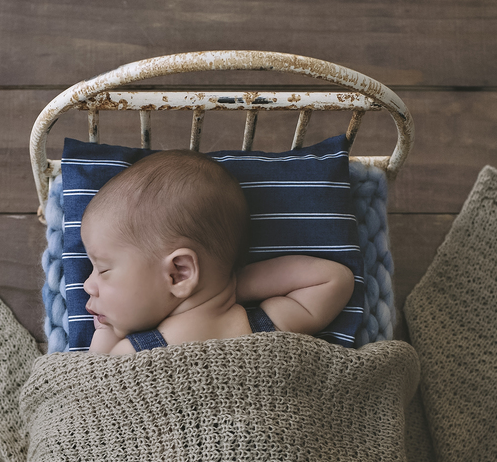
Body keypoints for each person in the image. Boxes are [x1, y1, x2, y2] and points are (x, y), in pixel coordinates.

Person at [81, 149, 355, 355]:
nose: (87, 284)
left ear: (179, 273)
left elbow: (91, 387)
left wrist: (106, 329)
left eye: (103, 269)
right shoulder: (269, 325)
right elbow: (333, 279)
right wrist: (229, 284)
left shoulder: (130, 353)